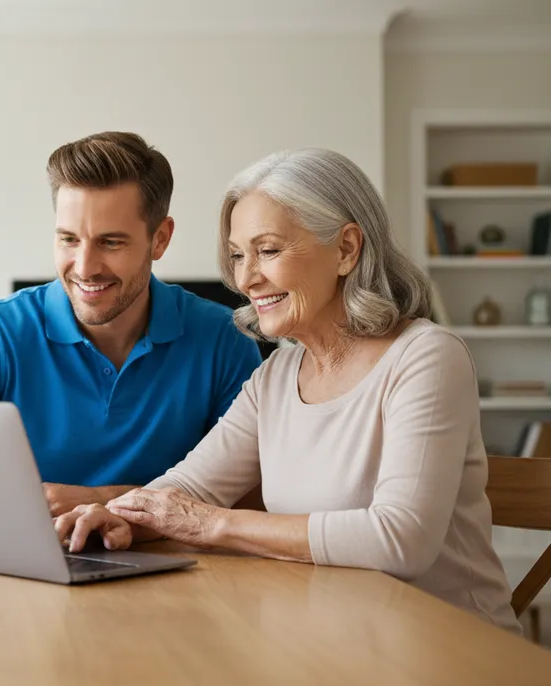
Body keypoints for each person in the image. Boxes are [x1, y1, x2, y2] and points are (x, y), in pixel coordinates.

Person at [55, 147, 522, 632]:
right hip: (329, 641)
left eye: (269, 250)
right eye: (238, 255)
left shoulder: (426, 356)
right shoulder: (277, 374)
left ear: (346, 249)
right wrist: (114, 518)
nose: (246, 278)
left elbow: (400, 541)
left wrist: (214, 524)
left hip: (451, 651)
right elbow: (191, 487)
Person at [0, 132, 263, 524]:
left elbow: (250, 498)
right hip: (23, 572)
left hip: (182, 575)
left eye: (110, 242)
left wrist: (100, 500)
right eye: (68, 239)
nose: (84, 266)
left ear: (159, 239)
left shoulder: (224, 340)